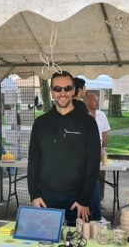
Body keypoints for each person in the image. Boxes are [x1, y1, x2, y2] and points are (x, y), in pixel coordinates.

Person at [28, 71, 100, 225]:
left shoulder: (88, 123)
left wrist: (84, 199)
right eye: (57, 89)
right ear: (52, 91)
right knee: (45, 245)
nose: (63, 93)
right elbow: (33, 161)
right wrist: (34, 195)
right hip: (46, 199)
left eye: (67, 88)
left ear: (74, 91)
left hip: (78, 201)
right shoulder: (41, 123)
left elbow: (93, 164)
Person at [85, 92, 111, 220]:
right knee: (92, 180)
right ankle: (93, 210)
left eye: (97, 100)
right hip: (87, 151)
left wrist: (104, 147)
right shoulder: (83, 114)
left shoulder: (101, 115)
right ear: (88, 101)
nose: (97, 102)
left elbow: (106, 132)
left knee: (100, 176)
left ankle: (99, 201)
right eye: (94, 100)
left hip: (99, 149)